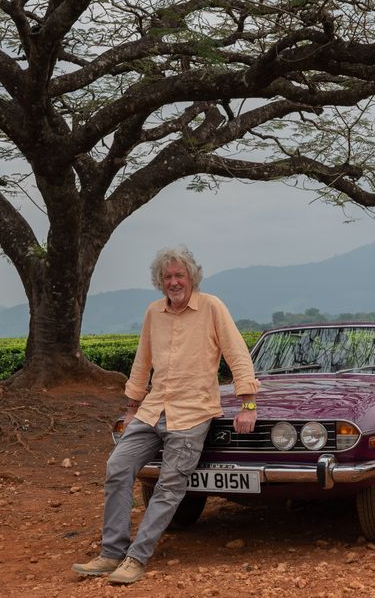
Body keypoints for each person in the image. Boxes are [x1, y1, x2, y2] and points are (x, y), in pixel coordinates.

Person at [72, 247, 260, 586]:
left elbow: (237, 353)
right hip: (152, 409)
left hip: (193, 413)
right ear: (160, 281)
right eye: (168, 277)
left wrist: (247, 404)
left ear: (191, 278)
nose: (174, 282)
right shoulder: (153, 313)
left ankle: (136, 558)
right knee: (117, 468)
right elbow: (142, 361)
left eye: (179, 276)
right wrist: (132, 408)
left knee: (169, 487)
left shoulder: (212, 307)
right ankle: (112, 551)